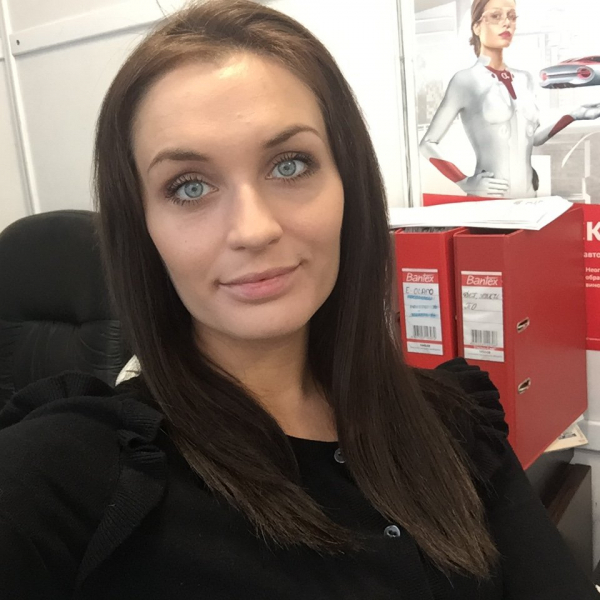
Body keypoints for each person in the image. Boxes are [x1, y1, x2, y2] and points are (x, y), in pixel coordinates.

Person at [0, 1, 596, 598]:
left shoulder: (453, 423)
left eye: (289, 165)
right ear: (142, 226)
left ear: (348, 185)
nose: (254, 229)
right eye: (189, 186)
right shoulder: (68, 472)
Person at [420, 0, 600, 198]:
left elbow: (534, 139)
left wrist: (574, 115)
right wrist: (464, 182)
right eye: (496, 16)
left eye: (512, 17)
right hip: (489, 199)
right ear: (477, 27)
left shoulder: (525, 79)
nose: (506, 23)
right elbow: (427, 143)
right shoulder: (465, 80)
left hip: (530, 197)